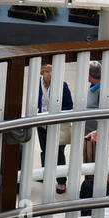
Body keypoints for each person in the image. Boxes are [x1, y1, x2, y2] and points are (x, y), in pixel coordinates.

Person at [37, 63, 72, 196]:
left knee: (58, 153)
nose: (50, 74)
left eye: (52, 71)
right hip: (42, 125)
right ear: (42, 73)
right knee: (44, 150)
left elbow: (69, 106)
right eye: (47, 72)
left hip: (58, 126)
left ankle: (61, 181)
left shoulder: (62, 86)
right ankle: (44, 173)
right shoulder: (38, 85)